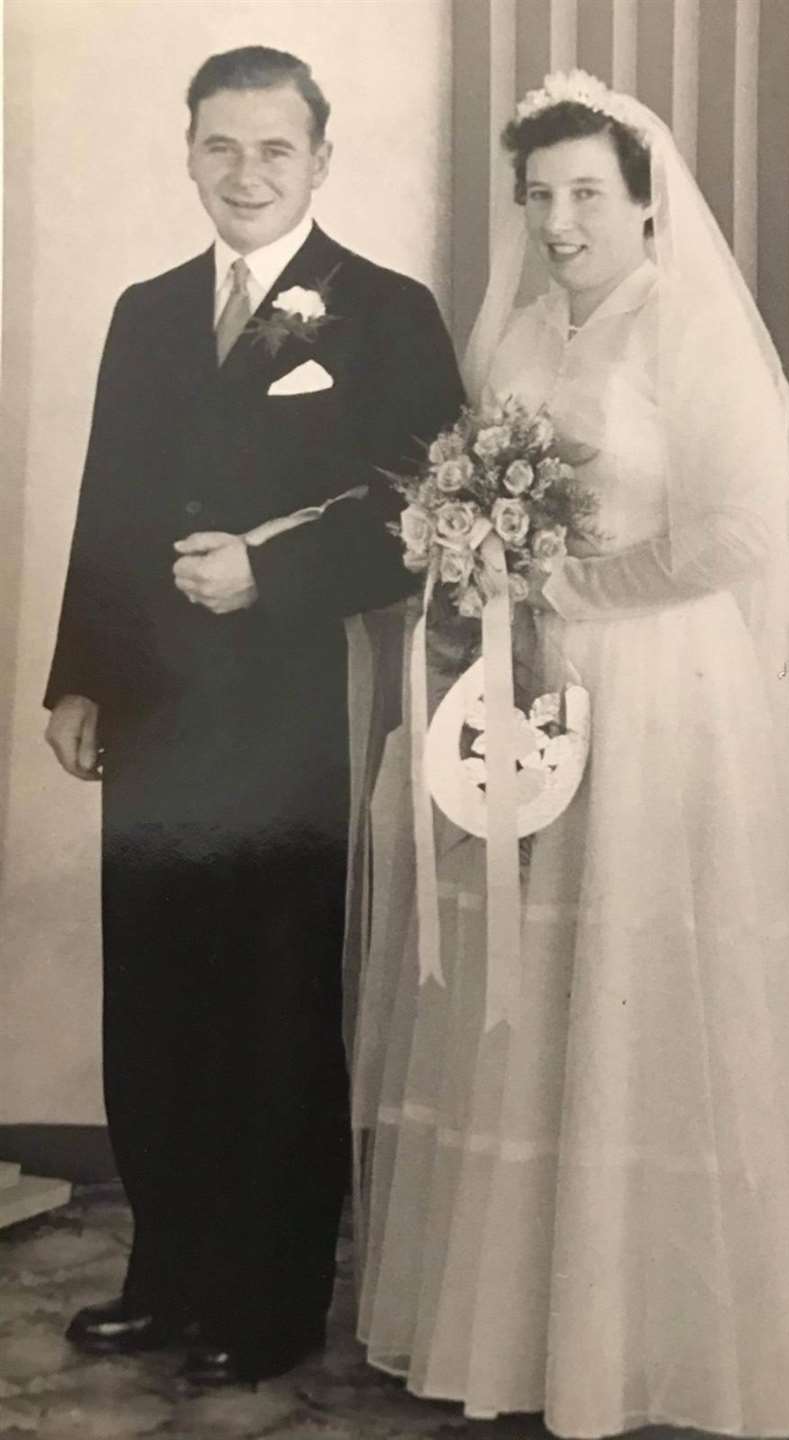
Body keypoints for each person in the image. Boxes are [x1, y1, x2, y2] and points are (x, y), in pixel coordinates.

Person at [352, 71, 789, 1439]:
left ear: (643, 200)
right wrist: (478, 572)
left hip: (668, 695)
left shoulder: (687, 329)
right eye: (539, 197)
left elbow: (741, 532)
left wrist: (575, 598)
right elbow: (481, 501)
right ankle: (533, 1336)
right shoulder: (512, 338)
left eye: (586, 193)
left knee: (652, 990)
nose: (560, 220)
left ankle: (678, 1343)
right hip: (532, 699)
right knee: (537, 995)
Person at [44, 46, 463, 1385]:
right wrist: (79, 673)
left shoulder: (385, 311)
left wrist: (270, 573)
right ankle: (166, 1275)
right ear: (187, 153)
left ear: (322, 161)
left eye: (274, 149)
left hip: (297, 713)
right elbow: (108, 505)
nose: (245, 173)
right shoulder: (147, 307)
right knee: (153, 996)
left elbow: (425, 517)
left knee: (275, 1006)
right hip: (157, 710)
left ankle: (268, 1302)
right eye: (221, 146)